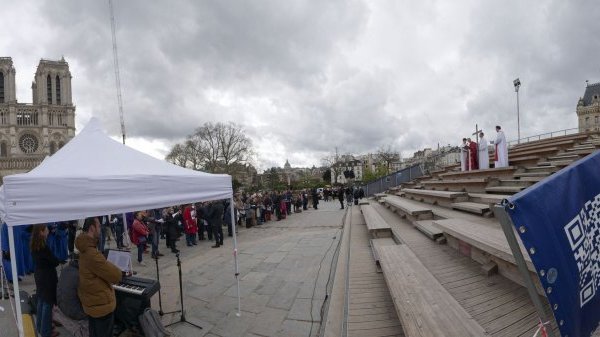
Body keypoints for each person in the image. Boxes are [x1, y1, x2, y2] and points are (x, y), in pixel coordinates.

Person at [76, 217, 122, 337]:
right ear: (92, 228)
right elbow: (116, 276)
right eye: (99, 226)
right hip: (100, 305)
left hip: (92, 302)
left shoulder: (85, 248)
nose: (100, 229)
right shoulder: (91, 253)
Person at [30, 224, 60, 337]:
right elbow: (54, 261)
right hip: (47, 277)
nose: (48, 230)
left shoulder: (34, 245)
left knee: (41, 301)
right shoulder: (43, 247)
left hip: (39, 275)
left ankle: (40, 326)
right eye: (46, 229)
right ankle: (45, 331)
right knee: (47, 303)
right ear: (41, 232)